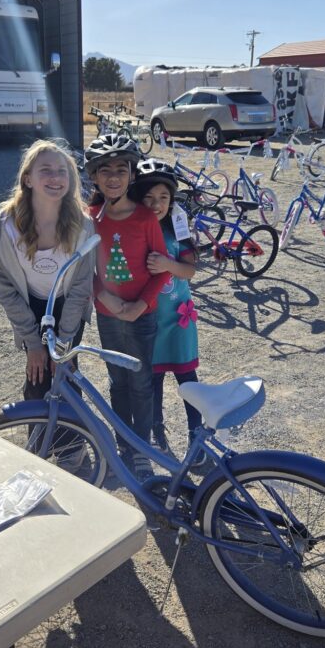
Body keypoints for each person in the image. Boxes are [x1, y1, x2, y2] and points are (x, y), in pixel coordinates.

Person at [84, 133, 170, 482]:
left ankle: (142, 448)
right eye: (105, 170)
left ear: (132, 175)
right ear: (94, 176)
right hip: (107, 316)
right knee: (117, 382)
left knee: (141, 383)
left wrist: (141, 305)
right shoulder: (89, 218)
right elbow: (82, 268)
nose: (114, 177)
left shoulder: (145, 218)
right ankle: (124, 444)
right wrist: (103, 297)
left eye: (122, 169)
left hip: (141, 316)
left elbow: (162, 268)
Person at [0, 140, 94, 401]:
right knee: (37, 375)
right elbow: (6, 291)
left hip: (68, 304)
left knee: (65, 374)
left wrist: (64, 343)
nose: (55, 177)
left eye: (62, 171)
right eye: (46, 170)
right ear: (28, 179)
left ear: (70, 179)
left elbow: (81, 287)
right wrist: (33, 343)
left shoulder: (83, 226)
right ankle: (36, 426)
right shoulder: (4, 229)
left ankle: (71, 425)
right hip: (29, 303)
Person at [129, 159, 207, 468]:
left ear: (172, 200)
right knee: (153, 382)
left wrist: (167, 265)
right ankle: (156, 433)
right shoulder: (135, 230)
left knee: (188, 380)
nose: (156, 204)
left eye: (163, 197)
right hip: (150, 322)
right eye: (148, 197)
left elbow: (189, 271)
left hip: (178, 321)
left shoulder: (176, 227)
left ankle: (196, 436)